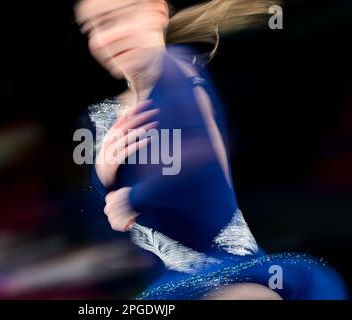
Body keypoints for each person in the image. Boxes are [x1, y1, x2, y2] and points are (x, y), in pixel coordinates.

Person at [74, 0, 349, 299]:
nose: (106, 38)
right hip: (171, 283)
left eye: (118, 19)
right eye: (93, 28)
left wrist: (131, 198)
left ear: (156, 13)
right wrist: (102, 172)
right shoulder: (105, 116)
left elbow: (201, 159)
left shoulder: (176, 68)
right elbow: (110, 217)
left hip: (229, 268)